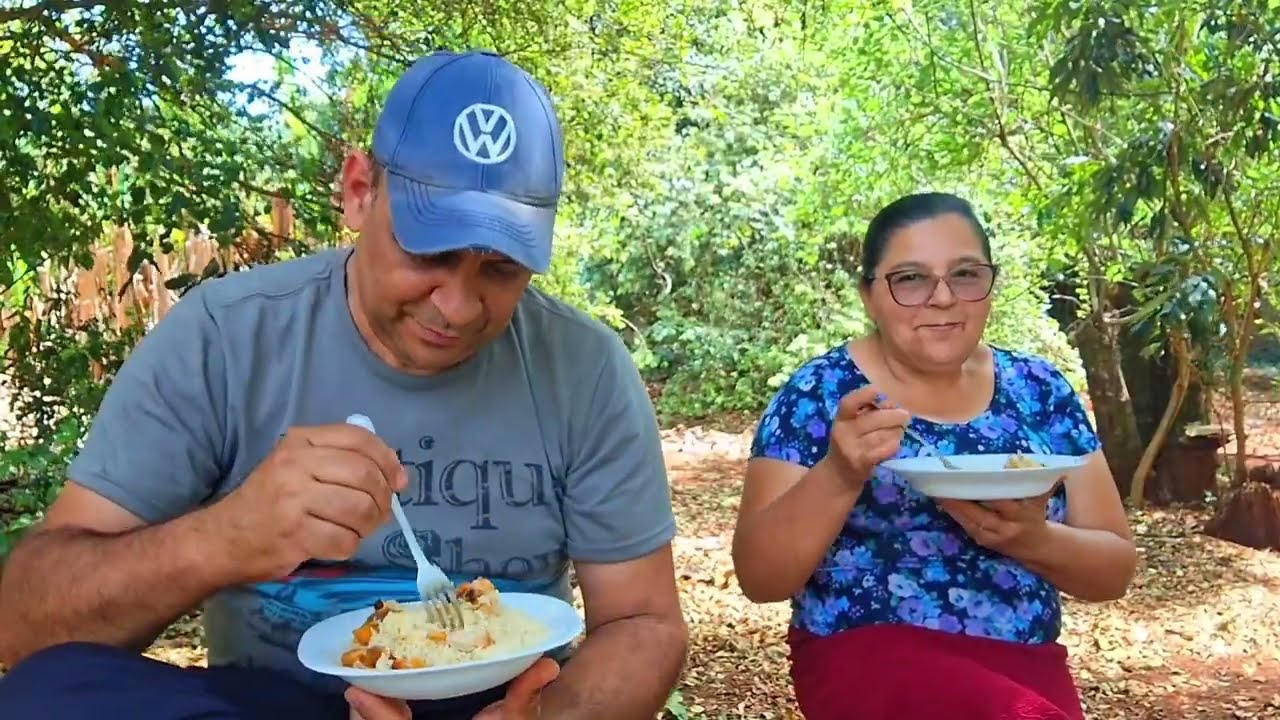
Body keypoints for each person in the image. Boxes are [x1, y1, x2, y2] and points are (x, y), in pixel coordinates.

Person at [0, 50, 688, 720]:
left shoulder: (583, 368)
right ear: (360, 191)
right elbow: (27, 628)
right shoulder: (224, 337)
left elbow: (643, 621)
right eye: (430, 251)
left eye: (500, 270)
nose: (457, 305)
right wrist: (224, 538)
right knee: (47, 695)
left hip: (509, 701)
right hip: (266, 701)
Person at [731, 192, 1137, 720]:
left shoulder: (1038, 389)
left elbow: (1114, 571)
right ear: (868, 294)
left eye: (965, 274)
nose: (942, 298)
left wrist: (1033, 539)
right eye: (911, 279)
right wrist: (839, 473)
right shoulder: (821, 393)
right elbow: (760, 579)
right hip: (871, 662)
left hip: (1026, 664)